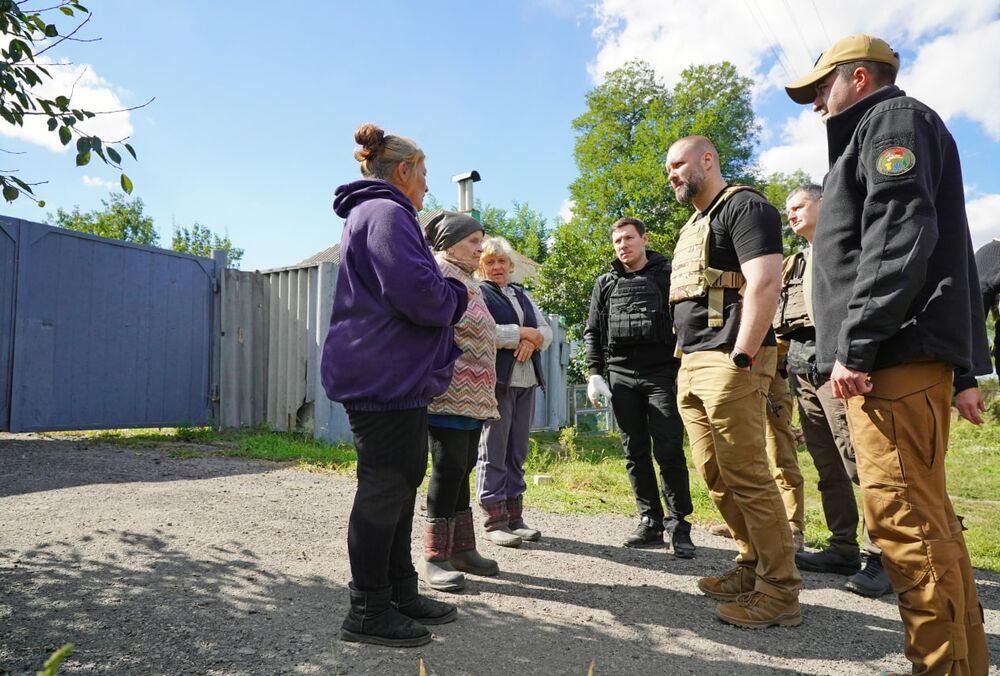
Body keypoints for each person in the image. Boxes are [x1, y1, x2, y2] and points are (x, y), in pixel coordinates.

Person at [785, 34, 991, 674]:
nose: (816, 102)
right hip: (903, 360)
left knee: (906, 529)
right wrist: (962, 370)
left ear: (860, 78)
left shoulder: (891, 121)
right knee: (930, 526)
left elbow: (902, 234)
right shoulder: (877, 132)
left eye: (822, 88)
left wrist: (858, 345)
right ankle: (963, 664)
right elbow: (946, 252)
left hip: (890, 362)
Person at [322, 123, 469, 647]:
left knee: (399, 484)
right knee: (384, 487)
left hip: (389, 374)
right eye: (424, 174)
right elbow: (422, 297)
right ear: (403, 170)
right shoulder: (386, 214)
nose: (427, 186)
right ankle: (366, 611)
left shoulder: (379, 213)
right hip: (381, 375)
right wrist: (455, 291)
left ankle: (398, 591)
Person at [666, 135, 801, 629]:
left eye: (679, 164)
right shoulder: (694, 223)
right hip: (692, 362)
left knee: (748, 474)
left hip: (731, 360)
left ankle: (780, 591)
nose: (673, 175)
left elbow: (765, 281)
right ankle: (751, 565)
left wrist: (743, 355)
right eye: (668, 169)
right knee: (716, 474)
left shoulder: (744, 207)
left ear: (708, 159)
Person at [780, 184, 892, 598]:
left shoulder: (850, 246)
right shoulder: (796, 262)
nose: (790, 214)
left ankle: (882, 556)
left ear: (823, 205)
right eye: (787, 209)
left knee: (859, 461)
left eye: (798, 206)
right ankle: (842, 548)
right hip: (803, 362)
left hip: (839, 362)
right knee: (826, 462)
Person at [583, 216, 696, 558]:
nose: (623, 246)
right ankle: (650, 521)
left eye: (629, 239)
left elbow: (686, 323)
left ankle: (679, 526)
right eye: (617, 241)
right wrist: (594, 372)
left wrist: (683, 366)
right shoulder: (604, 283)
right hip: (620, 375)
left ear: (644, 239)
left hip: (662, 373)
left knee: (669, 448)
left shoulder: (667, 276)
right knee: (634, 451)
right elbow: (593, 332)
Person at [418, 210, 501, 592]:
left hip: (475, 395)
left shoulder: (469, 280)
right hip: (449, 393)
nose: (480, 247)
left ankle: (462, 548)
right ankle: (435, 556)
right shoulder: (439, 274)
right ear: (449, 243)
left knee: (463, 465)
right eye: (472, 241)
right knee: (448, 468)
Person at [474, 236, 552, 547]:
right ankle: (494, 520)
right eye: (490, 262)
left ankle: (514, 517)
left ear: (510, 265)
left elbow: (546, 329)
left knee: (517, 450)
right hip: (497, 381)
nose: (496, 267)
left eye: (501, 261)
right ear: (482, 267)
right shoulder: (479, 293)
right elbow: (483, 332)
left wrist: (531, 340)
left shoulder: (522, 295)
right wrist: (519, 334)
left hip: (526, 380)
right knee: (494, 449)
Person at [762, 340, 805, 552]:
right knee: (741, 453)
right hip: (734, 374)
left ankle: (793, 527)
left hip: (771, 372)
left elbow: (784, 335)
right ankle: (746, 520)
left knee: (781, 453)